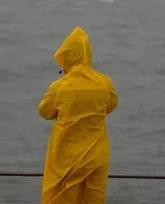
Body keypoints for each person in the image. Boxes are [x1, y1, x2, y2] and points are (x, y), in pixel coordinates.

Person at [38, 26, 119, 204]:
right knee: (94, 200)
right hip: (97, 155)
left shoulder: (59, 87)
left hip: (67, 158)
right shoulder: (104, 83)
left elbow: (44, 111)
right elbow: (112, 105)